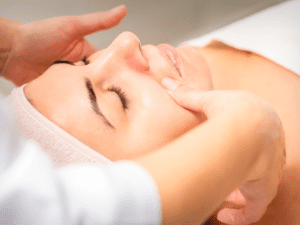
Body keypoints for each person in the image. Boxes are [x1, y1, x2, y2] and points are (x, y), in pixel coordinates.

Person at [0, 4, 286, 225]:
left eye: (82, 62)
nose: (125, 41)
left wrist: (9, 48)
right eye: (119, 97)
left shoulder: (199, 65)